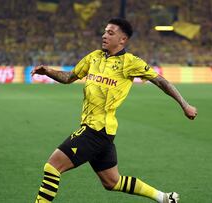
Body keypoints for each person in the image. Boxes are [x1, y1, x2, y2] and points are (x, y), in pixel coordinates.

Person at [31, 18, 197, 203]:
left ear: (122, 39)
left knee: (52, 166)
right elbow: (70, 76)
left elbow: (161, 81)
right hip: (104, 132)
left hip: (96, 130)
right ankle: (164, 198)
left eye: (110, 33)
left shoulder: (130, 62)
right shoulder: (94, 57)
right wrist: (49, 71)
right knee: (112, 182)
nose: (104, 36)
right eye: (104, 32)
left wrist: (185, 105)